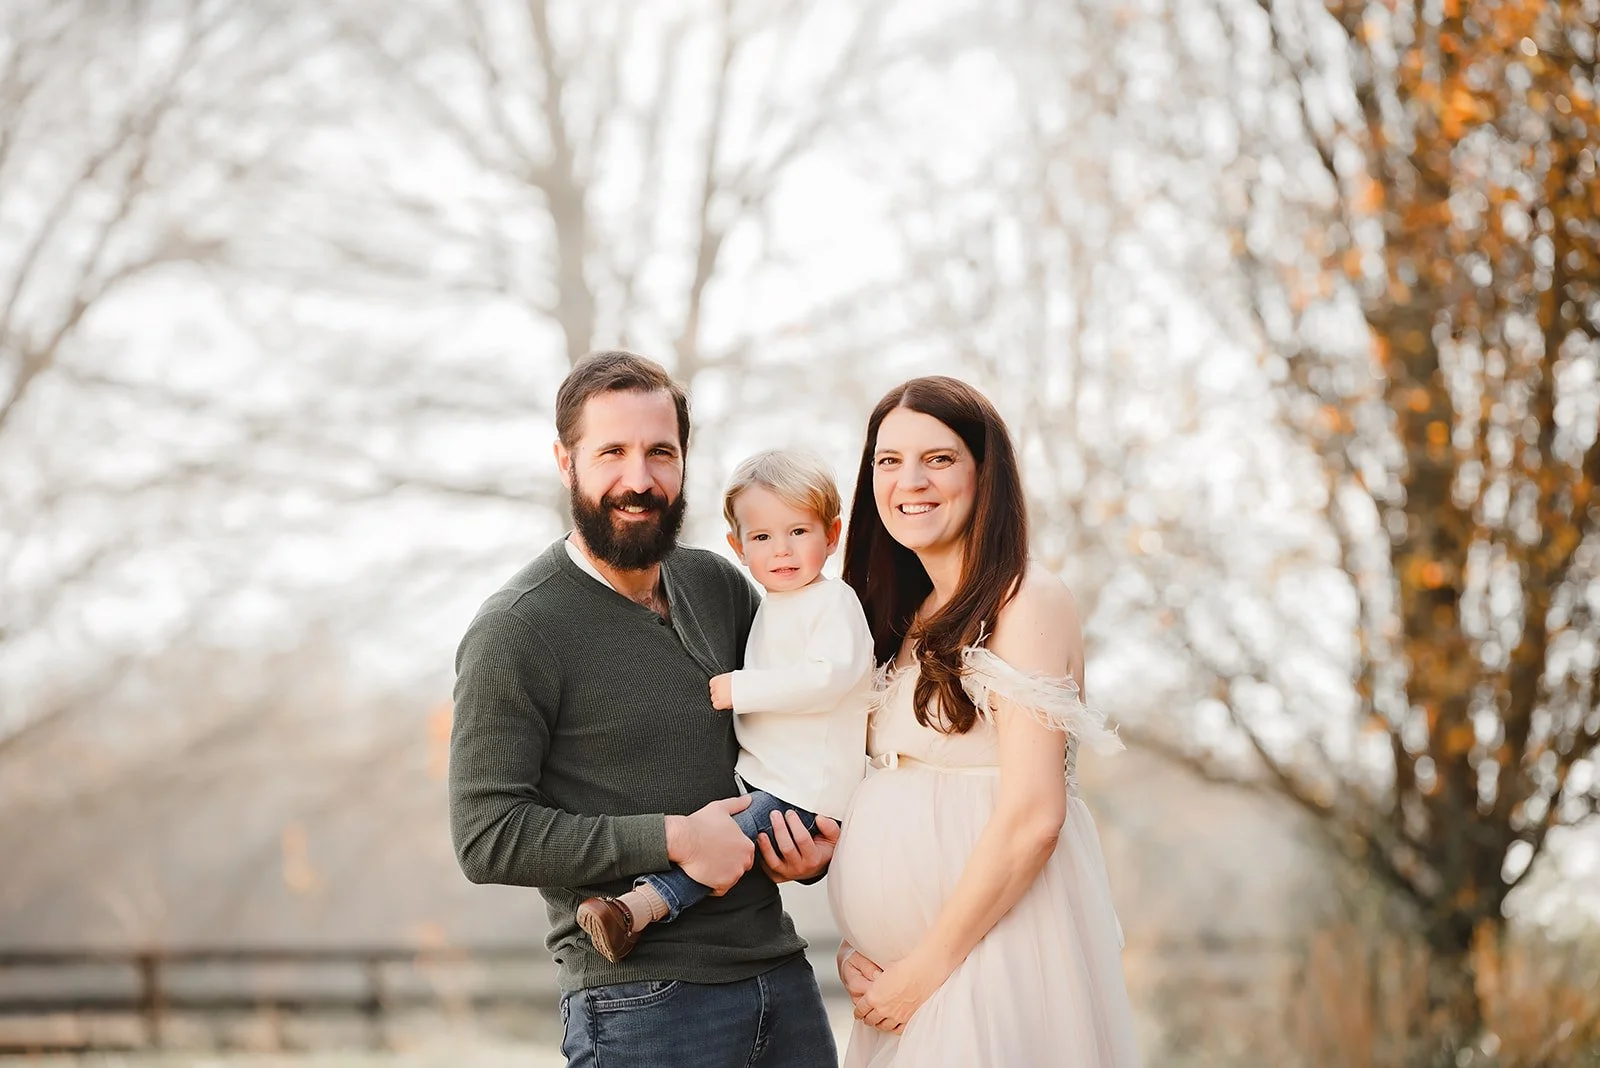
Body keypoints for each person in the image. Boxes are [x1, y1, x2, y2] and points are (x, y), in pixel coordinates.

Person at [449, 351, 840, 1068]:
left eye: (661, 452)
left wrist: (808, 850)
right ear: (566, 462)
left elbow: (801, 732)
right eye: (612, 453)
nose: (640, 479)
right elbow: (485, 835)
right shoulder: (518, 628)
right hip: (639, 1005)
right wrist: (671, 840)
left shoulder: (719, 584)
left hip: (780, 979)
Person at [826, 375, 1142, 1067]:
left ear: (984, 474)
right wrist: (865, 944)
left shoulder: (1027, 601)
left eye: (938, 459)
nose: (910, 480)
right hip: (904, 981)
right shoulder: (900, 622)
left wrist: (923, 970)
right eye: (889, 461)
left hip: (987, 966)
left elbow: (1034, 815)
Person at [576, 448, 874, 963]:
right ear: (738, 546)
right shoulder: (775, 602)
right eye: (762, 537)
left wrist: (742, 689)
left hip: (805, 785)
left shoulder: (834, 602)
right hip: (767, 774)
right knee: (719, 832)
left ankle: (638, 908)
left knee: (724, 842)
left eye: (798, 532)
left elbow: (830, 678)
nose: (781, 550)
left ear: (832, 535)